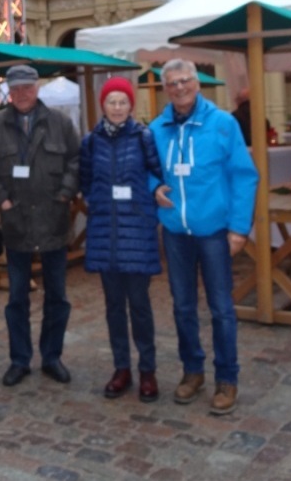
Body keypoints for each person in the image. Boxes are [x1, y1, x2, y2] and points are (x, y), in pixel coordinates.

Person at [150, 59, 259, 415]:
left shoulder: (224, 125)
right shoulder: (156, 130)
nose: (179, 88)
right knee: (182, 306)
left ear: (197, 83)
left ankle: (227, 378)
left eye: (185, 81)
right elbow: (145, 172)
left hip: (214, 232)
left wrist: (239, 227)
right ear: (165, 89)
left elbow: (244, 176)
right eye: (172, 83)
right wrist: (154, 190)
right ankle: (192, 370)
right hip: (176, 232)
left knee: (221, 308)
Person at [0, 64, 80, 387]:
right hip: (16, 224)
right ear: (9, 91)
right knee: (17, 298)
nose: (21, 94)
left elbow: (76, 161)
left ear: (37, 88)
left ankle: (52, 357)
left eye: (27, 88)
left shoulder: (60, 123)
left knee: (57, 296)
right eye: (15, 89)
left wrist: (64, 194)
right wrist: (2, 200)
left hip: (54, 222)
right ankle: (19, 359)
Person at [80, 77, 164, 403]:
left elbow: (157, 175)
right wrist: (100, 206)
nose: (117, 107)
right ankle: (121, 368)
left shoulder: (144, 137)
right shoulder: (90, 142)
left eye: (122, 102)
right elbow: (86, 181)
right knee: (114, 307)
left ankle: (148, 370)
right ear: (103, 105)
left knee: (140, 306)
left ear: (131, 105)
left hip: (137, 232)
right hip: (105, 233)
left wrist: (143, 209)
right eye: (111, 102)